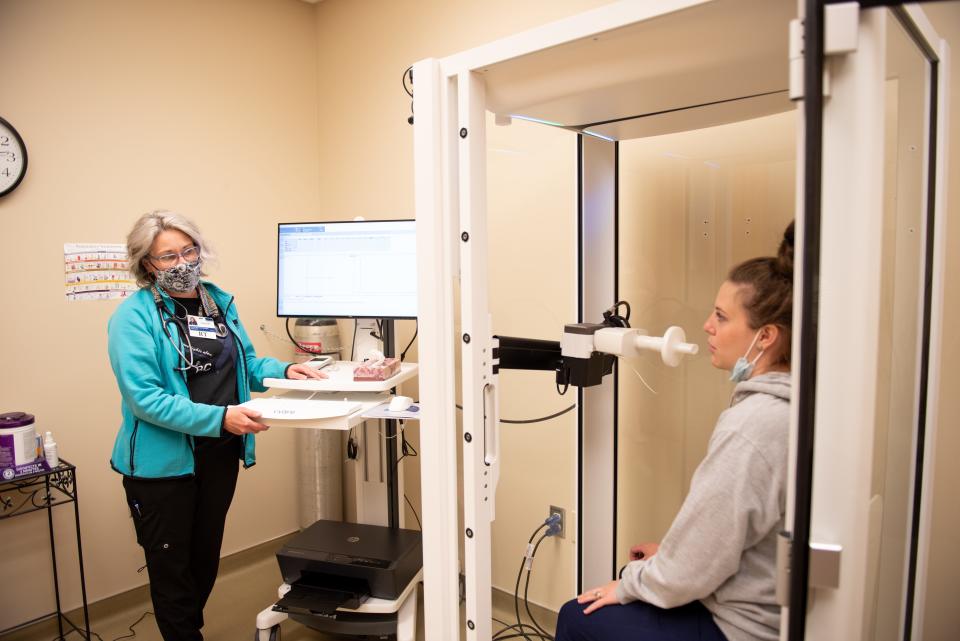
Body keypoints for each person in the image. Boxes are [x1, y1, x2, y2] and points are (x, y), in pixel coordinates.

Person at [556, 221, 795, 641]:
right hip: (761, 601)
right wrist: (669, 556)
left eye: (721, 317)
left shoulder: (753, 426)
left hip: (739, 628)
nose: (707, 325)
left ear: (766, 336)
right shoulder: (796, 406)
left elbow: (686, 575)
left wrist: (632, 581)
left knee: (577, 614)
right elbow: (728, 540)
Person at [107, 210, 326, 641]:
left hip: (219, 453)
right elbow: (146, 399)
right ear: (147, 264)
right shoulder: (133, 318)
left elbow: (244, 363)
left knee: (204, 559)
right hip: (162, 467)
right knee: (173, 569)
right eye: (167, 256)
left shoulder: (216, 301)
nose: (182, 263)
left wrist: (284, 370)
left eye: (188, 251)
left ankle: (190, 630)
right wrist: (221, 417)